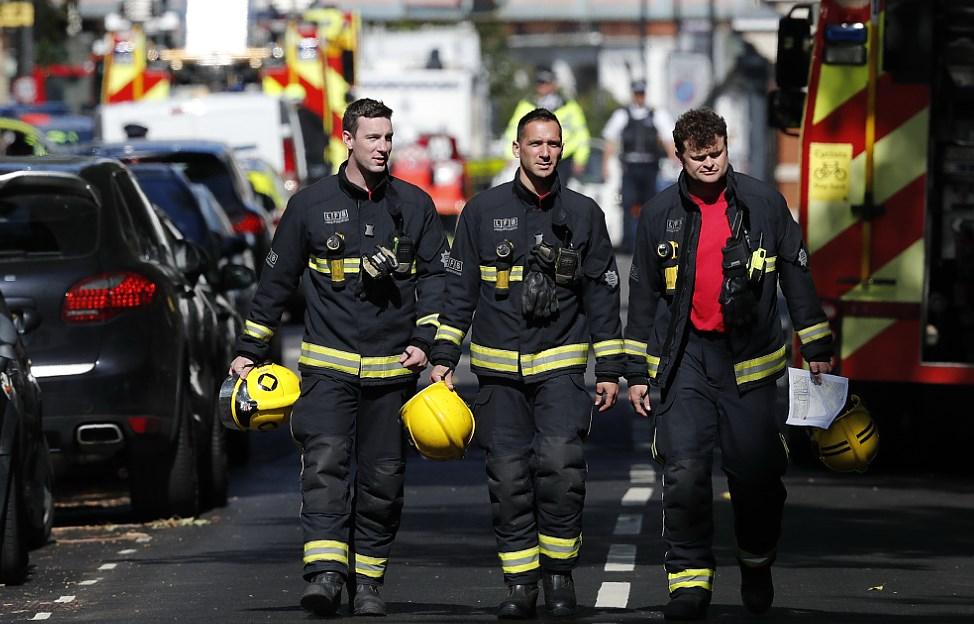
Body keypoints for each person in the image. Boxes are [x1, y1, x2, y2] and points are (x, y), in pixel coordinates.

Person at [228, 98, 447, 618]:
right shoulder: (308, 205)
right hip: (327, 370)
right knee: (325, 468)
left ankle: (369, 581)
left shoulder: (414, 207)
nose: (383, 147)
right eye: (372, 138)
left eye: (388, 138)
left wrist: (429, 343)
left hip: (394, 373)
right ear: (347, 139)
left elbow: (439, 280)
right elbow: (275, 283)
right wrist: (248, 352)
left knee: (383, 481)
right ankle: (326, 576)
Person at [624, 108, 834, 621]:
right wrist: (636, 372)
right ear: (680, 157)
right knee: (686, 473)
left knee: (757, 478)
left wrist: (817, 343)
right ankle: (689, 584)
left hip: (751, 361)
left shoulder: (763, 203)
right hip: (686, 359)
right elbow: (644, 295)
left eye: (716, 153)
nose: (710, 164)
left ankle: (756, 564)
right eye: (699, 158)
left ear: (726, 145)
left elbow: (796, 274)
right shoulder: (658, 214)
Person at [430, 108, 624, 619]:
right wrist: (444, 357)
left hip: (560, 368)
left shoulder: (583, 214)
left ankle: (559, 576)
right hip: (497, 376)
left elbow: (603, 297)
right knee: (509, 476)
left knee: (560, 467)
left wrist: (609, 370)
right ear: (516, 148)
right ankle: (521, 583)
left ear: (562, 150)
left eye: (553, 144)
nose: (544, 152)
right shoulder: (480, 210)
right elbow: (459, 292)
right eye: (535, 143)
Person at [601, 79, 675, 253]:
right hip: (630, 166)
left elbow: (667, 139)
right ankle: (629, 244)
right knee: (628, 204)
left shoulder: (656, 114)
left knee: (650, 205)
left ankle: (649, 242)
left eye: (642, 93)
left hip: (650, 166)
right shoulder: (623, 115)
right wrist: (605, 164)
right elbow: (610, 139)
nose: (639, 97)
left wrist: (675, 160)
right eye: (637, 93)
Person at [504, 67, 591, 182]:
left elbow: (582, 135)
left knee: (559, 195)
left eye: (546, 83)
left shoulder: (569, 106)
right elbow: (513, 131)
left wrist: (580, 159)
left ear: (554, 85)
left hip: (563, 159)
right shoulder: (526, 105)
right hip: (536, 157)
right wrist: (509, 155)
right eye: (540, 83)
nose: (542, 86)